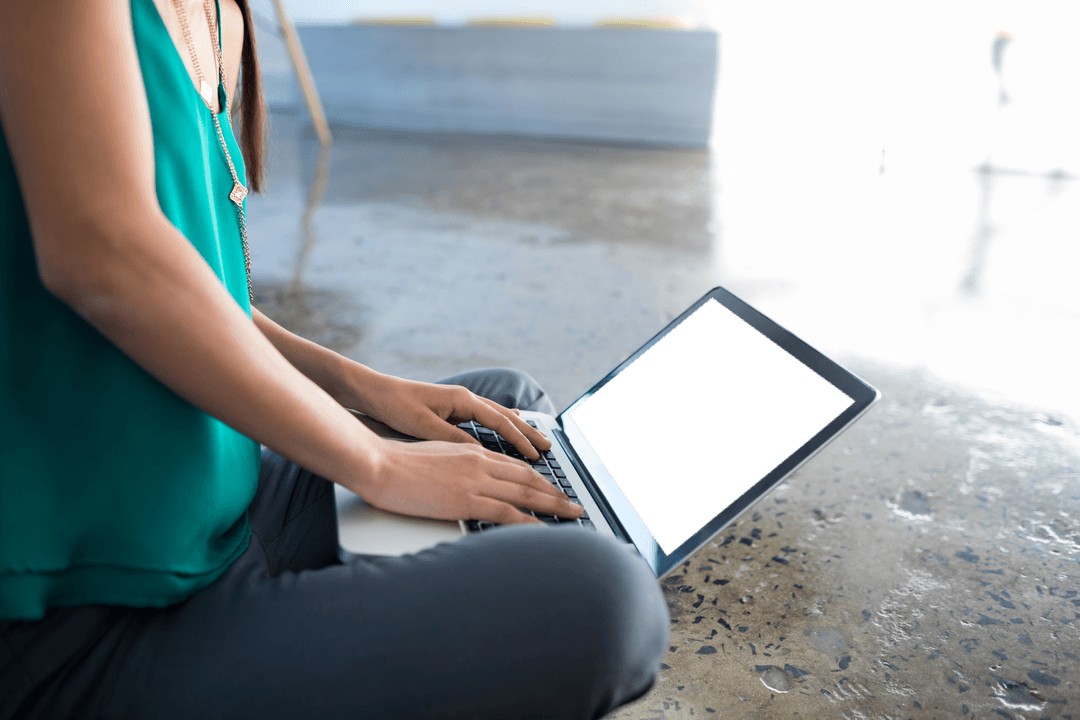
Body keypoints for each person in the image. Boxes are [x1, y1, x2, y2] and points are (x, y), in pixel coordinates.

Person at [0, 1, 669, 717]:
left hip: (220, 509)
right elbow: (104, 256)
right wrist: (370, 460)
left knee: (504, 407)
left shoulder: (221, 13)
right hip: (93, 607)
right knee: (606, 600)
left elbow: (198, 288)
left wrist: (367, 390)